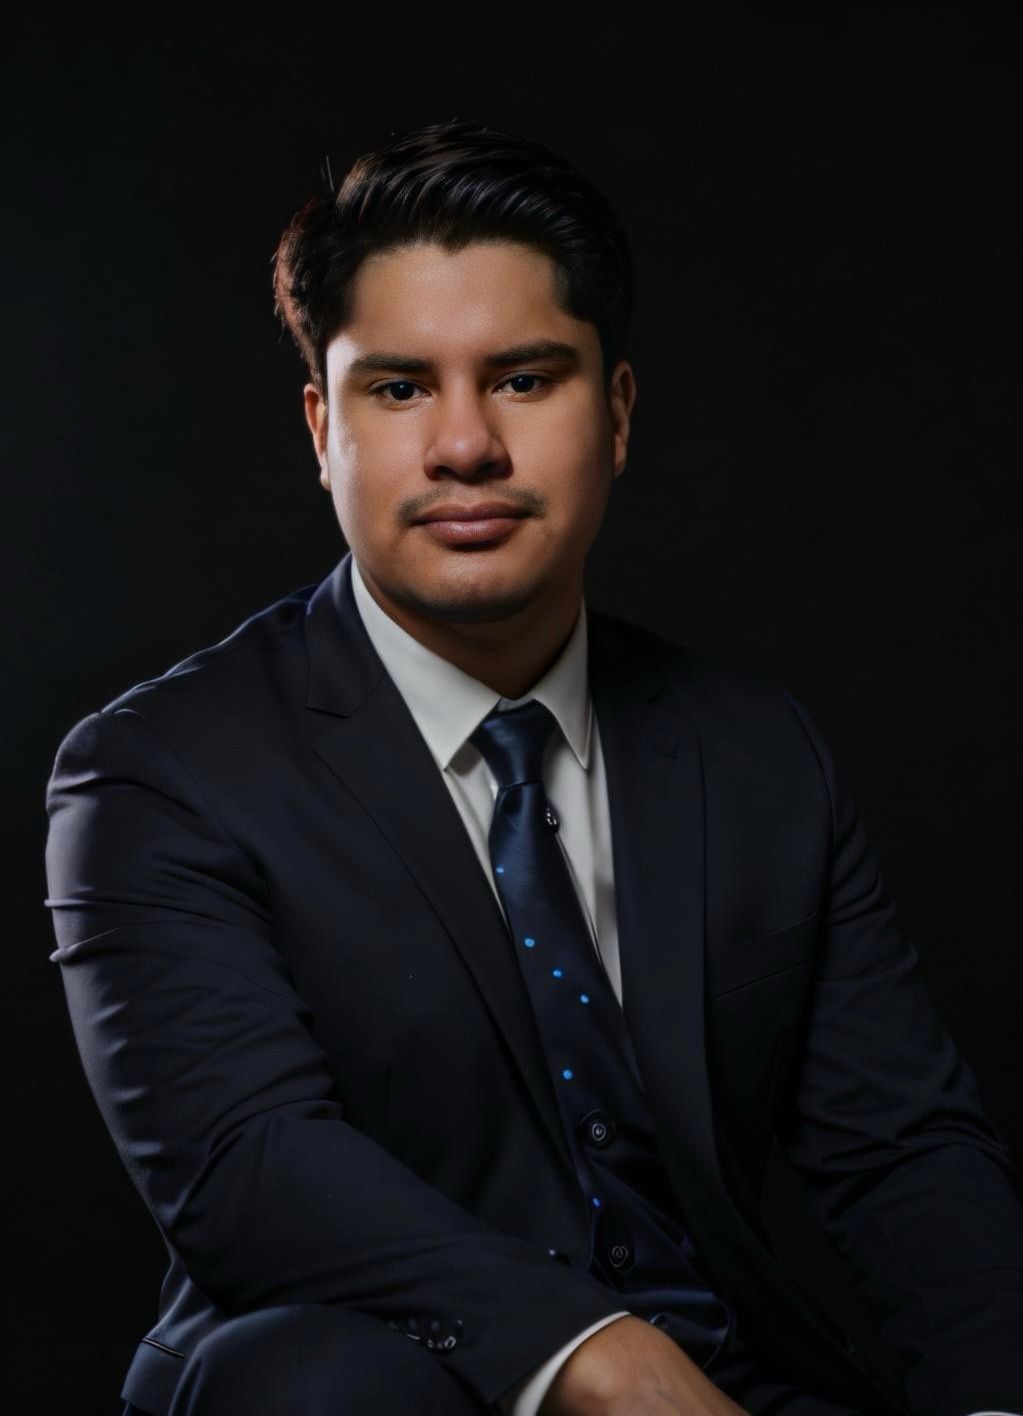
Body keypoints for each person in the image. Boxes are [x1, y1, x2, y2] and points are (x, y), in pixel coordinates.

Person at [44, 117, 1023, 1416]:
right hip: (371, 1377)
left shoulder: (749, 750)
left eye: (522, 379)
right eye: (398, 389)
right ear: (320, 428)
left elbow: (901, 1152)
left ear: (615, 411)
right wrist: (593, 1354)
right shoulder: (158, 772)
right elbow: (247, 1165)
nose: (464, 448)